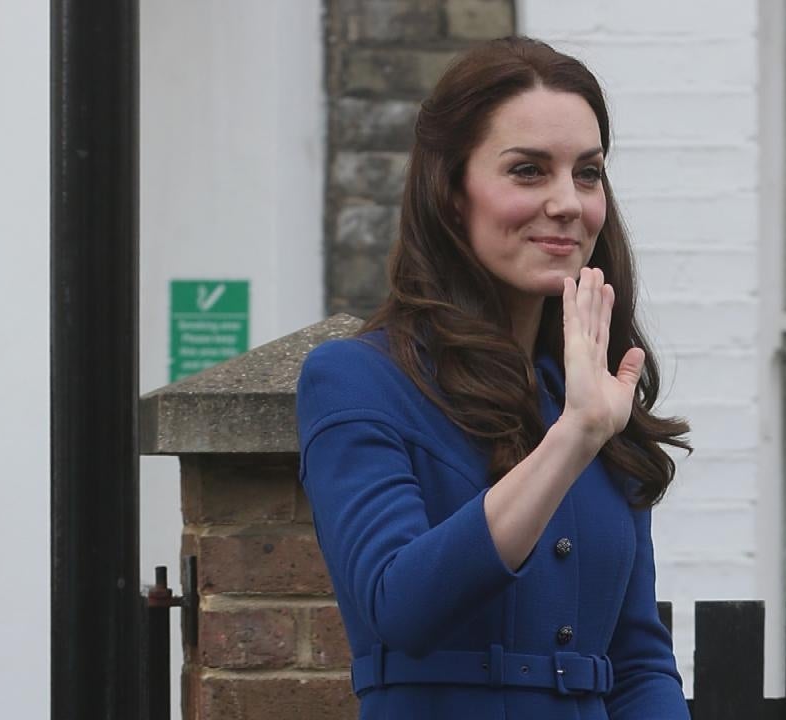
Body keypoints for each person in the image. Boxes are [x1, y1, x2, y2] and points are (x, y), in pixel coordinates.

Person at [296, 36, 693, 719]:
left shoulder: (591, 392)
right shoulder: (358, 381)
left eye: (588, 173)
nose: (568, 202)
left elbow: (637, 664)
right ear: (452, 194)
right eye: (529, 171)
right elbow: (400, 605)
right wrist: (573, 439)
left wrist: (586, 423)